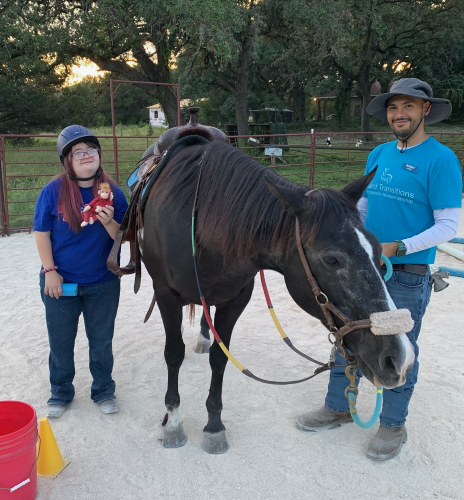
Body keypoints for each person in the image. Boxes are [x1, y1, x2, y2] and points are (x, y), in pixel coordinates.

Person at [296, 78, 462, 460]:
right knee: (346, 334)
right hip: (365, 267)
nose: (398, 114)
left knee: (398, 348)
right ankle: (339, 406)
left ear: (425, 111)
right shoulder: (380, 154)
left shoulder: (441, 160)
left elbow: (448, 226)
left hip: (407, 272)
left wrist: (397, 246)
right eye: (392, 107)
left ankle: (392, 425)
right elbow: (365, 207)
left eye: (407, 106)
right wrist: (352, 234)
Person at [34, 125, 128, 418]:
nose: (86, 156)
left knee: (101, 341)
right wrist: (49, 270)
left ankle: (103, 390)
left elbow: (121, 238)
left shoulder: (113, 194)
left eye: (91, 150)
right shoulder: (53, 191)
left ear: (99, 155)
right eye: (78, 152)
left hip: (102, 282)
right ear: (67, 159)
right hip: (60, 282)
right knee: (60, 341)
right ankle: (61, 392)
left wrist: (108, 221)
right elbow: (42, 233)